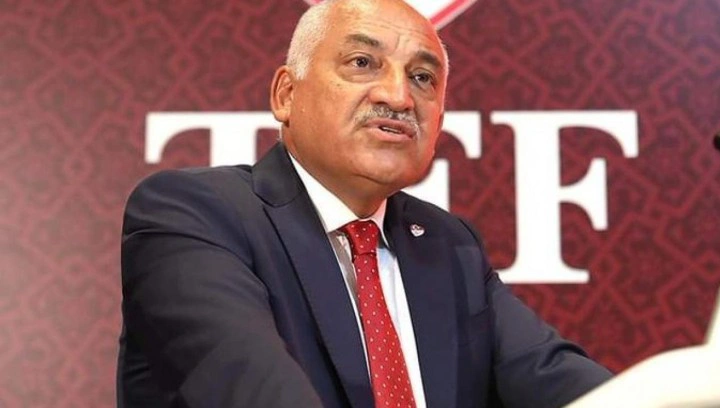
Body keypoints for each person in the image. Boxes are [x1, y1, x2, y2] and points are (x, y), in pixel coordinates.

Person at [117, 0, 612, 407]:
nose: (399, 97)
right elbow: (250, 388)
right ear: (286, 94)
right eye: (362, 63)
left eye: (422, 78)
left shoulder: (448, 246)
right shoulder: (194, 214)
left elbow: (562, 382)